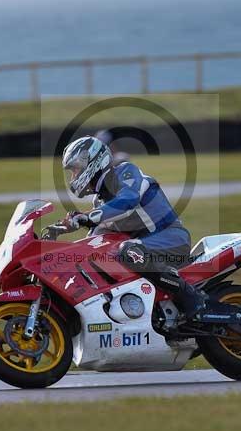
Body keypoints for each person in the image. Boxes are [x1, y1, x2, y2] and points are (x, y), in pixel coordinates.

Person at [61, 135, 206, 321]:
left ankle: (190, 295)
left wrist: (89, 216)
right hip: (147, 247)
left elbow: (128, 200)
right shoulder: (100, 201)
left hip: (171, 239)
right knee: (98, 257)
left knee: (128, 251)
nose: (74, 176)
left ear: (92, 161)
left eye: (75, 170)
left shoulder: (125, 172)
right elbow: (95, 240)